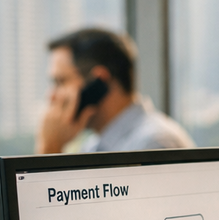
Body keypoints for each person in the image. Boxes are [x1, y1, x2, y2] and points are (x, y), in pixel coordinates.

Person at [35, 27, 194, 155]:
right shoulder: (94, 146)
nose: (51, 96)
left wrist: (50, 150)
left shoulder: (154, 144)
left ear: (99, 81)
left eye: (60, 82)